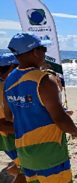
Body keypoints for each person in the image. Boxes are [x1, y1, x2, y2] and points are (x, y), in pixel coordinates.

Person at [4, 32, 77, 182]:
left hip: (24, 151)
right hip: (49, 153)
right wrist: (76, 132)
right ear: (35, 52)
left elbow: (10, 116)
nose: (44, 53)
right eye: (43, 49)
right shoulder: (44, 80)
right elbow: (60, 118)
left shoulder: (9, 80)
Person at [0, 53, 26, 183]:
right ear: (11, 68)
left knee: (23, 171)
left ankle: (14, 168)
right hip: (12, 139)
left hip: (10, 139)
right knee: (24, 174)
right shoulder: (4, 88)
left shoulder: (8, 86)